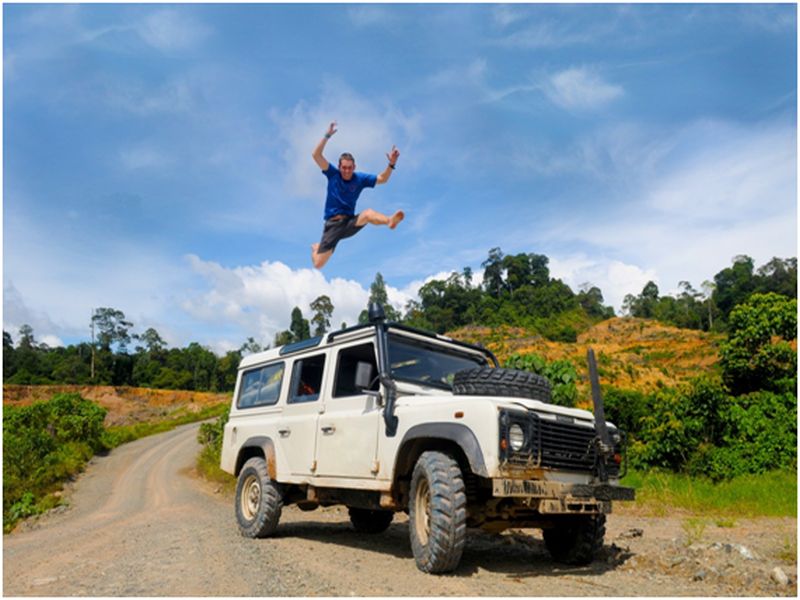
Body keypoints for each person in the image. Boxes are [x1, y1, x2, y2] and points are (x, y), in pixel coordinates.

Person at [310, 121, 404, 269]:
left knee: (367, 214)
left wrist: (391, 164)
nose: (347, 171)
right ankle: (316, 249)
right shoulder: (333, 174)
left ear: (354, 167)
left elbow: (382, 179)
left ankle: (390, 220)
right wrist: (327, 136)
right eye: (344, 168)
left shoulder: (359, 178)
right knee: (318, 264)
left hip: (349, 222)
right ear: (339, 167)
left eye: (350, 168)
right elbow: (316, 155)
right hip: (332, 225)